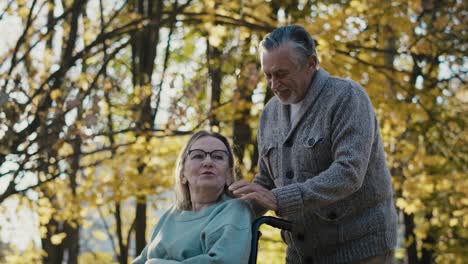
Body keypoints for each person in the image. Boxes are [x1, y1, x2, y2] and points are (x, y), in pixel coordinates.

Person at [229, 25, 398, 263]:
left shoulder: (347, 97)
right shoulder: (269, 113)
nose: (273, 85)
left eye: (282, 74)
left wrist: (279, 199)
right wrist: (234, 213)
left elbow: (348, 173)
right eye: (268, 75)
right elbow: (266, 180)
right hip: (301, 252)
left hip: (361, 250)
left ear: (311, 64)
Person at [133, 130, 253, 264]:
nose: (208, 162)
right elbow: (143, 259)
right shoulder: (171, 215)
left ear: (229, 176)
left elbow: (225, 261)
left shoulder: (235, 210)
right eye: (198, 156)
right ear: (182, 174)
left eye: (218, 157)